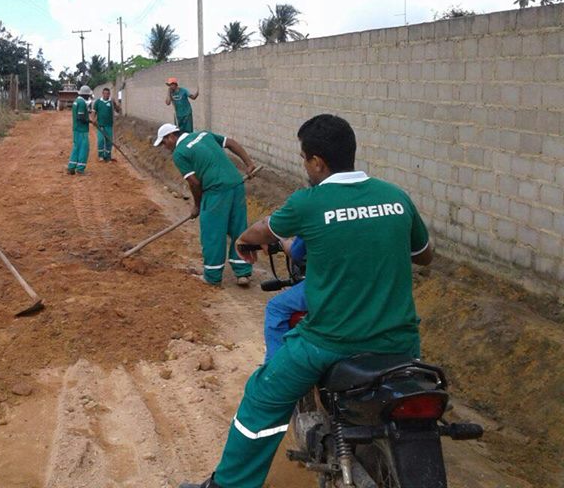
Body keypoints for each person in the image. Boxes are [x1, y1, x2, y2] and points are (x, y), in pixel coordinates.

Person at [180, 114, 434, 488]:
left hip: (329, 343)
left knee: (262, 395)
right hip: (401, 344)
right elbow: (425, 255)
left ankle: (227, 483)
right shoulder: (396, 197)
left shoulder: (309, 203)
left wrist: (242, 242)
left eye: (304, 159)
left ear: (318, 161)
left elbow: (262, 230)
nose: (305, 167)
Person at [154, 123, 259, 287]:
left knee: (212, 233)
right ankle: (243, 272)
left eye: (163, 142)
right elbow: (230, 142)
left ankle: (212, 276)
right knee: (239, 228)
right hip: (236, 184)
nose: (164, 147)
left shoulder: (179, 153)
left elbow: (194, 183)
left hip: (216, 190)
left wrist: (198, 205)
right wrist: (249, 163)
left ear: (171, 136)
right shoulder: (203, 134)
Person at [262, 236, 306, 364]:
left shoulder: (318, 217)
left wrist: (283, 241)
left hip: (328, 283)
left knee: (276, 307)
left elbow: (297, 252)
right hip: (366, 285)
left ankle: (274, 369)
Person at [67, 85, 92, 175]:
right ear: (85, 94)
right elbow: (80, 117)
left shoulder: (76, 101)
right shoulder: (81, 103)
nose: (88, 96)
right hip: (82, 130)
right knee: (84, 148)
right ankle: (80, 169)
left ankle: (71, 167)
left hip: (76, 129)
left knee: (76, 147)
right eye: (88, 95)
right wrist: (88, 121)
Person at [92, 87, 121, 162]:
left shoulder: (111, 102)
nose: (106, 95)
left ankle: (108, 156)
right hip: (100, 125)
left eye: (108, 94)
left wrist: (115, 103)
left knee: (109, 141)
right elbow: (94, 111)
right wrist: (93, 119)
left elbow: (118, 111)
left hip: (109, 125)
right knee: (101, 140)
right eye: (105, 93)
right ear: (102, 94)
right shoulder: (98, 102)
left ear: (109, 94)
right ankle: (101, 156)